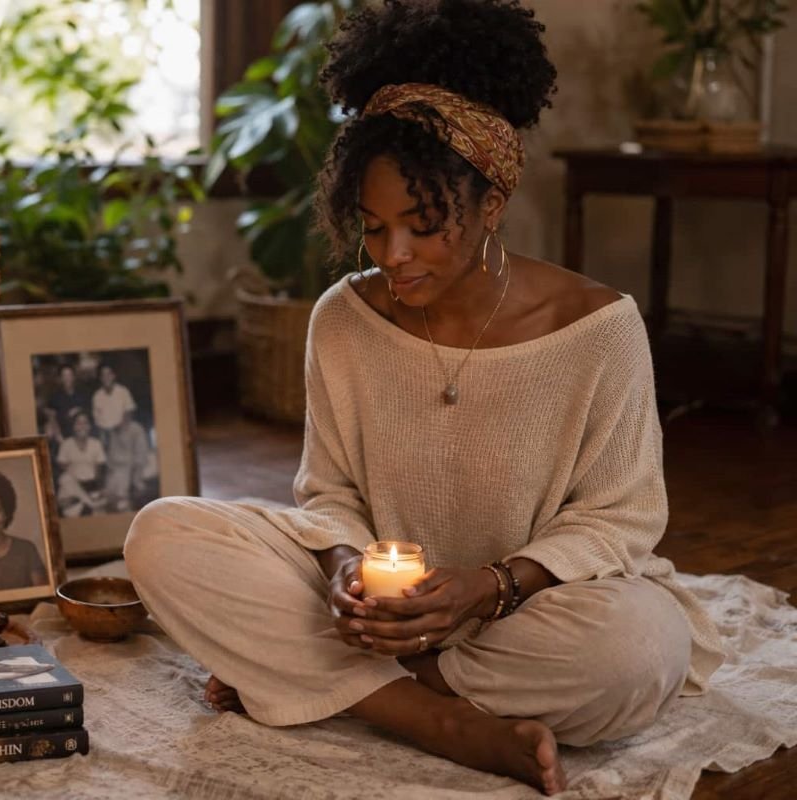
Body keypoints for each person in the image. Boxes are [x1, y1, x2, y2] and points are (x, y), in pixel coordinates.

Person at [123, 2, 724, 795]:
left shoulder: (599, 328)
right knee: (162, 535)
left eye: (423, 224)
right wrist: (341, 566)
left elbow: (622, 516)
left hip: (523, 611)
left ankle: (336, 684)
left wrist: (488, 585)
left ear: (490, 207)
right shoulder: (343, 318)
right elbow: (329, 492)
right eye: (373, 228)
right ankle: (439, 719)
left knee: (642, 648)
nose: (394, 256)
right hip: (375, 614)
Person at [55, 411, 107, 517]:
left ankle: (88, 502)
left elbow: (99, 470)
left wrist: (96, 487)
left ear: (89, 426)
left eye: (85, 423)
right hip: (73, 485)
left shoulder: (96, 443)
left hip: (90, 485)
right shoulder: (66, 444)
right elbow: (62, 467)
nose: (82, 426)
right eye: (78, 423)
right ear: (73, 426)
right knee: (65, 479)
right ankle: (91, 503)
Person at [104, 412, 158, 512]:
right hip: (121, 480)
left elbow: (141, 456)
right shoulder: (113, 433)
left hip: (138, 476)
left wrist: (136, 477)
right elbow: (112, 460)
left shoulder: (136, 429)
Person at [90, 363, 136, 445]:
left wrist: (121, 429)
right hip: (106, 434)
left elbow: (129, 412)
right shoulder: (96, 396)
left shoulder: (123, 391)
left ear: (114, 376)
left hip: (123, 430)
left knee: (137, 430)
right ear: (100, 378)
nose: (106, 377)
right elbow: (97, 423)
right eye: (103, 375)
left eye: (109, 374)